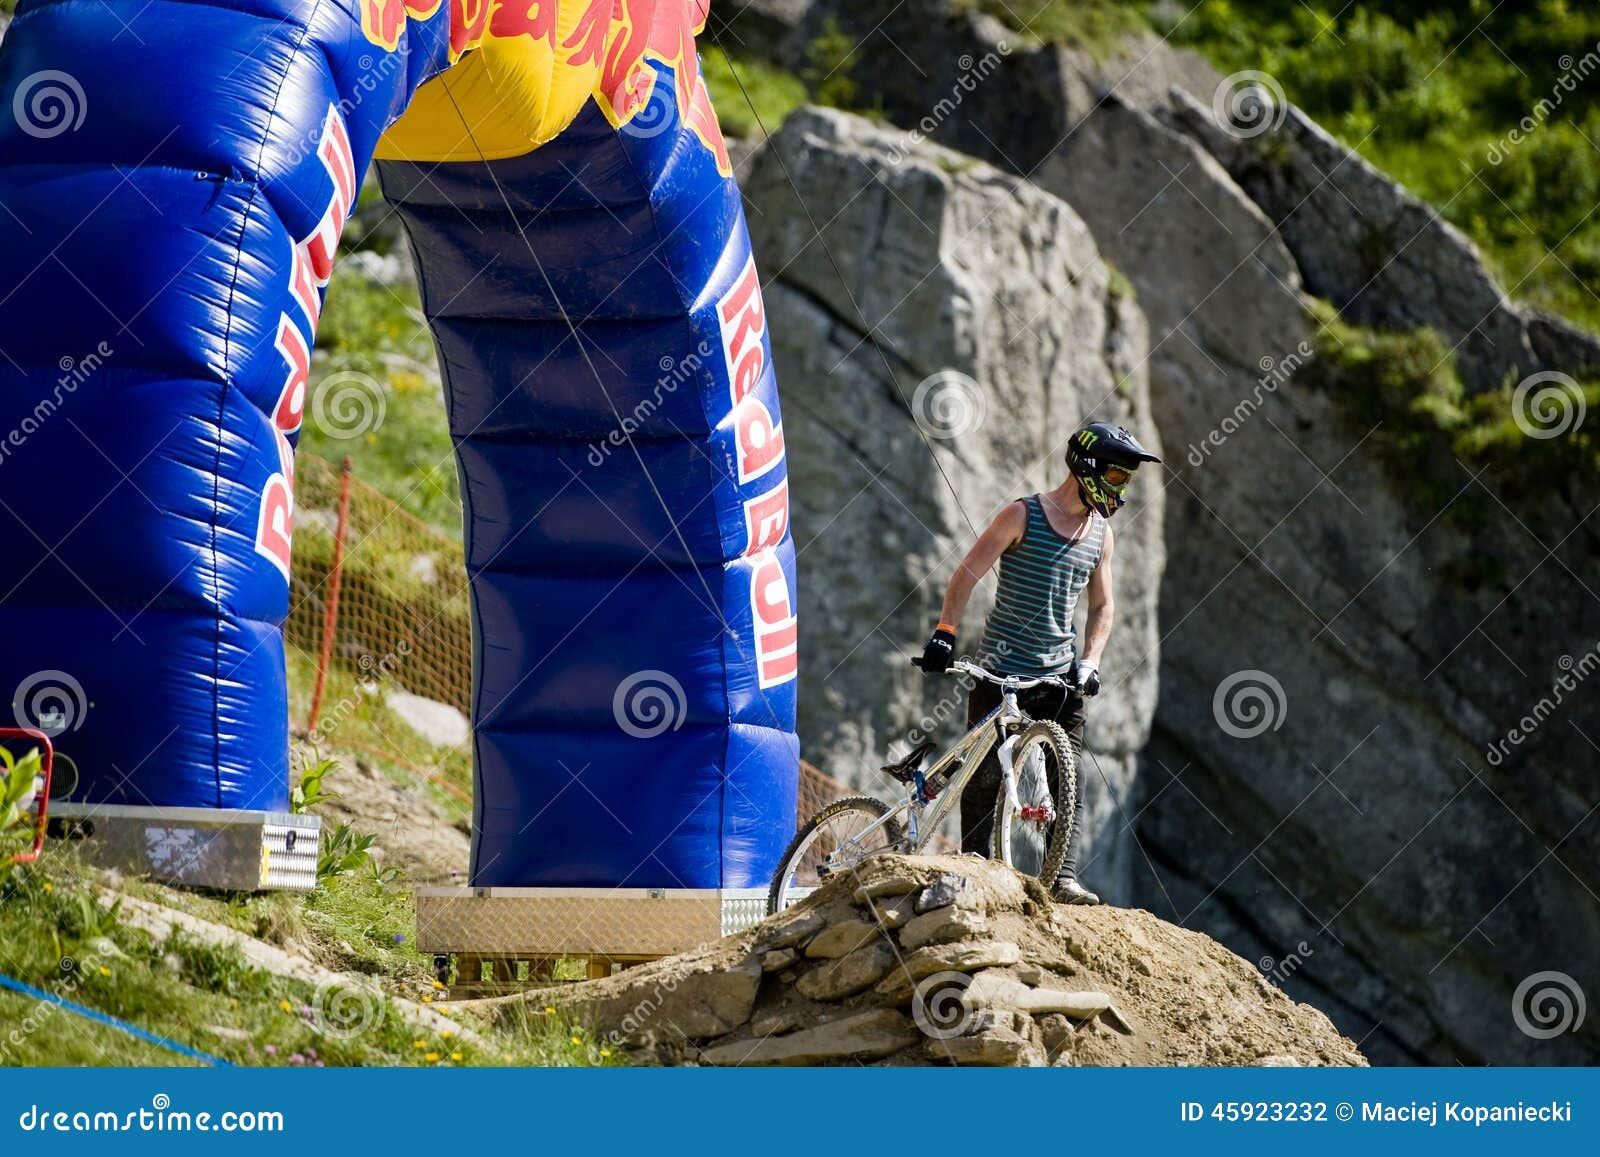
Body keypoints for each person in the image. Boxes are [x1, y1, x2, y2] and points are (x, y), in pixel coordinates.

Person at [919, 421, 1160, 905]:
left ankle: (1062, 877)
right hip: (1001, 671)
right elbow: (967, 572)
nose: (1122, 490)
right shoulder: (1022, 515)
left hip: (1059, 677)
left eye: (1127, 480)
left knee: (1068, 777)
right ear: (1087, 468)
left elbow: (1103, 605)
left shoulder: (1101, 535)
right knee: (984, 778)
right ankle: (974, 871)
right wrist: (945, 632)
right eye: (1117, 477)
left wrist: (1090, 662)